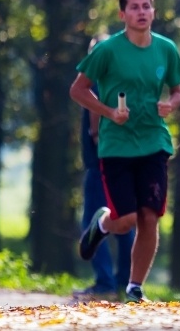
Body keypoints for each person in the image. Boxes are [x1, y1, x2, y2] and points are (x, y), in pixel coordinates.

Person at [70, 0, 180, 303]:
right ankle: (102, 224)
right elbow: (78, 90)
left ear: (154, 11)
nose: (141, 12)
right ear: (123, 14)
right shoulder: (108, 50)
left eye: (146, 6)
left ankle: (135, 288)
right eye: (134, 7)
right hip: (117, 145)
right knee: (126, 221)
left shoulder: (166, 48)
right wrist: (108, 112)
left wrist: (171, 104)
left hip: (154, 141)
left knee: (150, 215)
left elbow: (178, 92)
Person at [72, 37, 135, 302]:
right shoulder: (123, 79)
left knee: (95, 220)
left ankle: (104, 282)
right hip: (126, 159)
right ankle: (124, 281)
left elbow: (95, 107)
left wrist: (97, 137)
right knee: (123, 220)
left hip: (102, 162)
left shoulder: (96, 80)